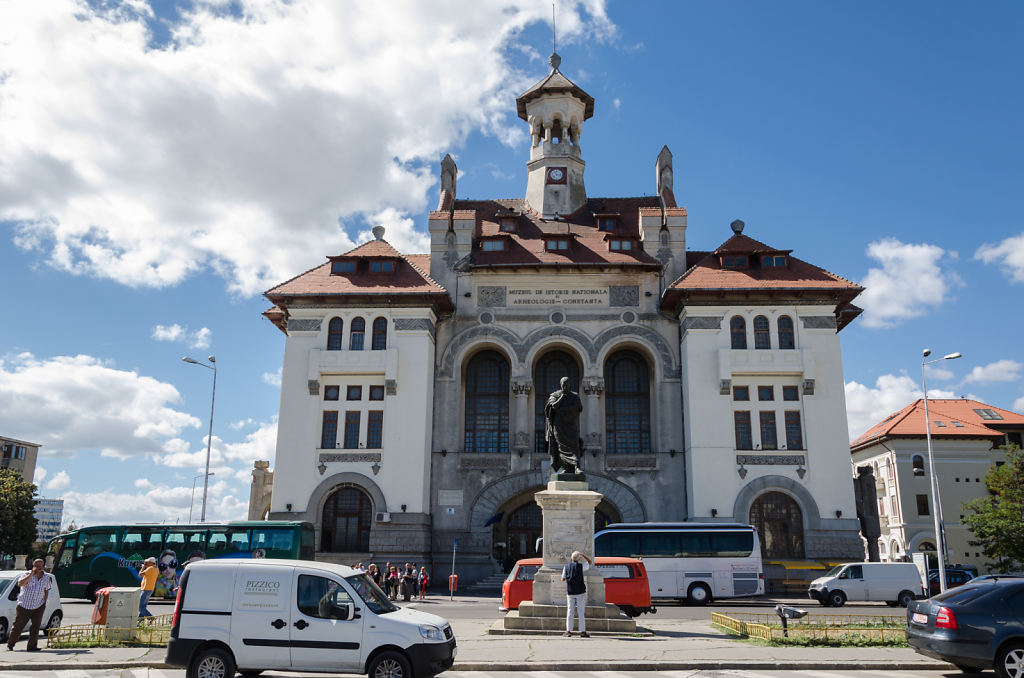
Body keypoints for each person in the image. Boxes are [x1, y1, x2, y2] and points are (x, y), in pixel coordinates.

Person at [7, 558, 52, 651]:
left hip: (39, 605)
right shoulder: (26, 574)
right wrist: (32, 574)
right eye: (37, 566)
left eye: (41, 566)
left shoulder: (46, 577)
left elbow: (46, 590)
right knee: (18, 626)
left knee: (36, 626)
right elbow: (20, 584)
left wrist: (44, 602)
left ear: (43, 566)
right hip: (24, 605)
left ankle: (32, 646)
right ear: (33, 566)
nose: (39, 568)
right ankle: (11, 644)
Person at [561, 550, 592, 638]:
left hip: (570, 591)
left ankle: (568, 631)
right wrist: (583, 555)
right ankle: (582, 631)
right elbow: (590, 562)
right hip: (580, 591)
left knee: (570, 611)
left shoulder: (566, 567)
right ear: (579, 559)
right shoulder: (581, 566)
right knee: (581, 612)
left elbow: (562, 579)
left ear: (571, 558)